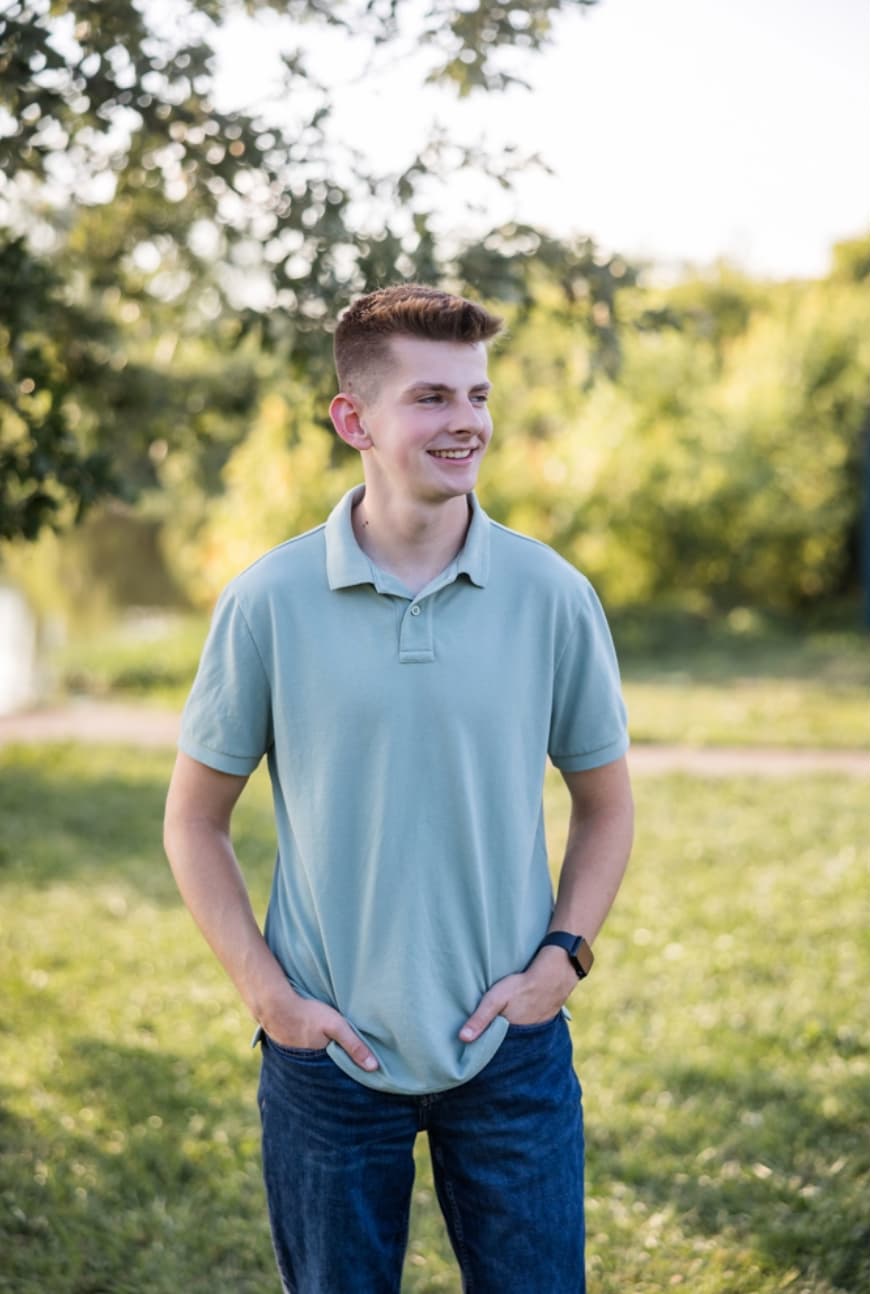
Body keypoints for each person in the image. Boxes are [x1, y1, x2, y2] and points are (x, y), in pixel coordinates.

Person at [163, 283, 634, 1294]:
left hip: (513, 1049)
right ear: (353, 420)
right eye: (430, 397)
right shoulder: (268, 602)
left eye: (477, 394)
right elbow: (194, 822)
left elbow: (607, 800)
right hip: (329, 1058)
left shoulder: (552, 594)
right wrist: (269, 996)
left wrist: (563, 959)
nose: (465, 421)